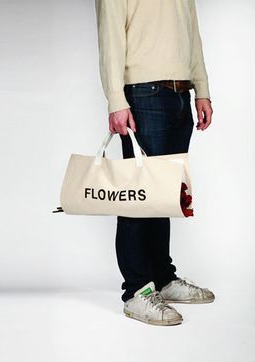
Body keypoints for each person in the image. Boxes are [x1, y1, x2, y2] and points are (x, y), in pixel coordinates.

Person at [95, 0, 215, 326]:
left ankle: (163, 278)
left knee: (164, 195)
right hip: (143, 93)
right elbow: (110, 37)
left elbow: (192, 33)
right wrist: (116, 100)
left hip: (180, 93)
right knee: (140, 196)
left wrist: (201, 89)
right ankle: (137, 291)